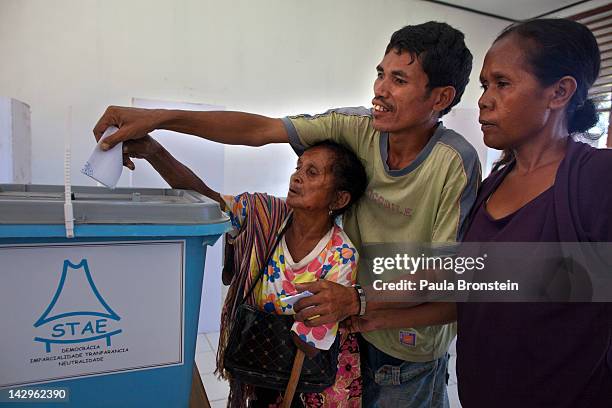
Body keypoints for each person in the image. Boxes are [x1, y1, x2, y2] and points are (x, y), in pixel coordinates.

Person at [93, 21, 481, 407]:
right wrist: (159, 121)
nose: (380, 89)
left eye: (399, 79)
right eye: (380, 74)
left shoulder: (452, 164)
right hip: (351, 331)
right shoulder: (331, 154)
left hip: (406, 346)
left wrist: (359, 300)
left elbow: (449, 274)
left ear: (440, 97)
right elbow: (259, 130)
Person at [123, 135, 367, 407]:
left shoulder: (341, 254)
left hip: (315, 387)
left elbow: (310, 345)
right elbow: (208, 202)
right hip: (263, 371)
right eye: (298, 168)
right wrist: (155, 151)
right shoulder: (266, 216)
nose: (296, 178)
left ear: (339, 197)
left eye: (312, 173)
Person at [453, 19, 612, 407]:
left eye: (502, 84)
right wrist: (369, 310)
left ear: (559, 91)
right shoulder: (493, 183)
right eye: (485, 85)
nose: (485, 100)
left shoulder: (596, 179)